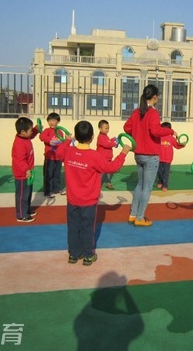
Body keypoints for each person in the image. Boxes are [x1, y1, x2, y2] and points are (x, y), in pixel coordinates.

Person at [56, 120, 132, 265]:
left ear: (76, 137)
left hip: (72, 200)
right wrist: (123, 153)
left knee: (73, 227)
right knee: (87, 228)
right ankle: (88, 255)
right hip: (88, 202)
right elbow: (112, 167)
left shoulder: (68, 151)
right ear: (92, 137)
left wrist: (67, 141)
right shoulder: (94, 156)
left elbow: (59, 153)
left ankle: (73, 254)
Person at [123, 84, 175, 227]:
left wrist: (137, 135)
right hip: (151, 155)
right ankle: (139, 217)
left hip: (138, 154)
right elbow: (156, 131)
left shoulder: (136, 112)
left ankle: (133, 214)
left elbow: (127, 128)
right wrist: (170, 131)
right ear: (154, 97)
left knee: (140, 185)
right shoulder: (152, 113)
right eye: (157, 97)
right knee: (147, 187)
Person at [12, 117, 39, 223]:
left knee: (27, 193)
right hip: (22, 174)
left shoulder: (25, 138)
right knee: (22, 194)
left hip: (28, 172)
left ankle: (26, 210)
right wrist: (26, 170)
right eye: (30, 130)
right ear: (23, 132)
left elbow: (31, 135)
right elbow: (19, 160)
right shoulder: (19, 144)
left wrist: (37, 129)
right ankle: (21, 215)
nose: (31, 132)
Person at [39, 112, 65, 198]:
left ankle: (57, 189)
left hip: (58, 158)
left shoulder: (60, 132)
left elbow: (62, 143)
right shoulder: (47, 131)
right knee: (48, 175)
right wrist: (49, 141)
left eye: (54, 120)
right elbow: (42, 137)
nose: (51, 122)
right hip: (49, 157)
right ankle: (48, 191)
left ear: (58, 121)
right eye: (49, 120)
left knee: (57, 174)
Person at [156, 122, 185, 191]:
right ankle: (160, 181)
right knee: (159, 171)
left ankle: (165, 185)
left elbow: (177, 145)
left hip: (167, 159)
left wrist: (182, 144)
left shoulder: (171, 138)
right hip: (159, 158)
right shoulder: (158, 137)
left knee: (166, 173)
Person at [96, 119, 118, 190]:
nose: (107, 130)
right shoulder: (100, 137)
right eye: (106, 128)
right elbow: (106, 144)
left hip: (108, 158)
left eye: (108, 128)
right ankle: (97, 184)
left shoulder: (105, 136)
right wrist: (114, 143)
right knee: (101, 172)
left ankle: (108, 182)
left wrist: (113, 139)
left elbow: (108, 142)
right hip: (102, 158)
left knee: (108, 171)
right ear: (100, 128)